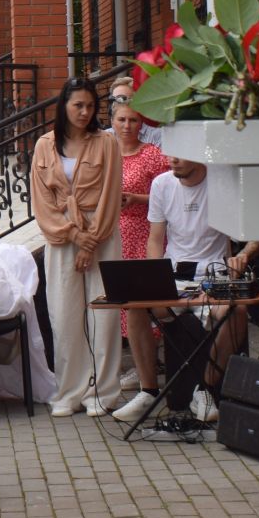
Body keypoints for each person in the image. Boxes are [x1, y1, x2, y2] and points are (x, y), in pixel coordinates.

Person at [112, 158, 259, 424]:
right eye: (171, 153)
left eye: (181, 154)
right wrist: (153, 277)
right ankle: (148, 390)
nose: (174, 160)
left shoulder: (222, 183)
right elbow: (156, 239)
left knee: (237, 312)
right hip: (174, 278)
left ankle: (204, 390)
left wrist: (244, 256)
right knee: (134, 306)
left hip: (213, 276)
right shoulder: (162, 184)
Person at [30, 78, 124, 418]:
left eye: (90, 106)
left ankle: (104, 391)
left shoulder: (106, 143)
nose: (85, 112)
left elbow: (112, 194)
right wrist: (72, 235)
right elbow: (42, 202)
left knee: (104, 314)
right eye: (77, 106)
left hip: (102, 234)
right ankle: (69, 390)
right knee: (63, 315)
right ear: (63, 106)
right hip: (60, 239)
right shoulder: (44, 145)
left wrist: (91, 240)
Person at [112, 102, 168, 405]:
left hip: (145, 233)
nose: (127, 125)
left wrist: (136, 197)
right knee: (123, 302)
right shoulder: (106, 153)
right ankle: (137, 364)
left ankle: (151, 364)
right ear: (113, 121)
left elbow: (168, 192)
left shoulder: (151, 155)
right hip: (115, 234)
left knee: (146, 300)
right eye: (121, 119)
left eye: (133, 120)